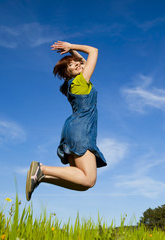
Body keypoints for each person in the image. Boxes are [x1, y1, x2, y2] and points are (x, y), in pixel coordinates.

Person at [25, 41, 107, 201]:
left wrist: (72, 53)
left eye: (77, 63)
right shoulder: (80, 82)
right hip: (81, 130)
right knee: (88, 179)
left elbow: (83, 62)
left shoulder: (73, 84)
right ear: (66, 73)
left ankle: (41, 176)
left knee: (84, 183)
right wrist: (72, 46)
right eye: (71, 65)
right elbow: (93, 51)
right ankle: (41, 169)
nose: (77, 64)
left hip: (73, 128)